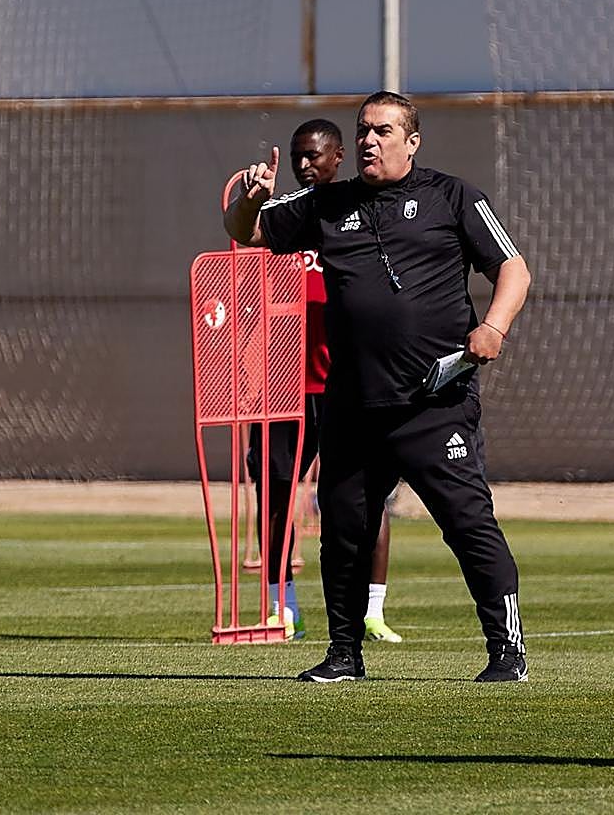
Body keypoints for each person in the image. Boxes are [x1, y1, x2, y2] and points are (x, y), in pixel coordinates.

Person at [225, 91, 532, 682]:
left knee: (469, 526)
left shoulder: (453, 197)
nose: (369, 140)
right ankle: (344, 654)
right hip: (353, 407)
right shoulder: (326, 203)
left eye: (384, 131)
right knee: (344, 534)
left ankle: (507, 651)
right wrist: (250, 201)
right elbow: (248, 232)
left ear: (412, 141)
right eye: (363, 130)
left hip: (434, 405)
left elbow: (514, 267)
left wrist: (494, 326)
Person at [246, 118, 404, 643]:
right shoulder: (287, 219)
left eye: (315, 154)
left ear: (339, 157)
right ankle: (280, 605)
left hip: (346, 385)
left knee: (367, 497)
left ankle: (373, 609)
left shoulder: (354, 216)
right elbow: (244, 246)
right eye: (298, 156)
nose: (305, 164)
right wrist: (255, 199)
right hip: (283, 387)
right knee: (274, 493)